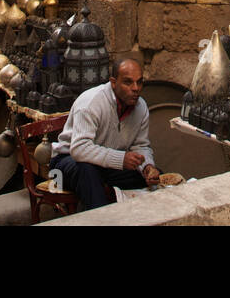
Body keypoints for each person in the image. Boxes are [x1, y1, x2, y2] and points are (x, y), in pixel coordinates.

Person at [49, 56, 160, 210]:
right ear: (113, 82)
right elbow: (79, 149)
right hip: (65, 162)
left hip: (105, 165)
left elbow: (140, 146)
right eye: (128, 82)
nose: (135, 88)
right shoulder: (91, 102)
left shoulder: (141, 107)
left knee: (150, 179)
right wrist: (121, 159)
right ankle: (103, 220)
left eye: (139, 82)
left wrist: (147, 166)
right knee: (87, 171)